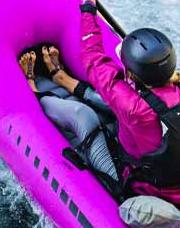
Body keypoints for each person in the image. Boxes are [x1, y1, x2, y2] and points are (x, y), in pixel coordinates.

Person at [76, 0, 180, 210]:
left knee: (83, 119)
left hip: (148, 193)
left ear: (131, 73)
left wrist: (88, 3)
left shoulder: (132, 106)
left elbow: (92, 58)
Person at [18, 44, 120, 192]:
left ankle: (34, 91)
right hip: (135, 155)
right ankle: (62, 78)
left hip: (121, 178)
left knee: (82, 114)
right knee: (124, 106)